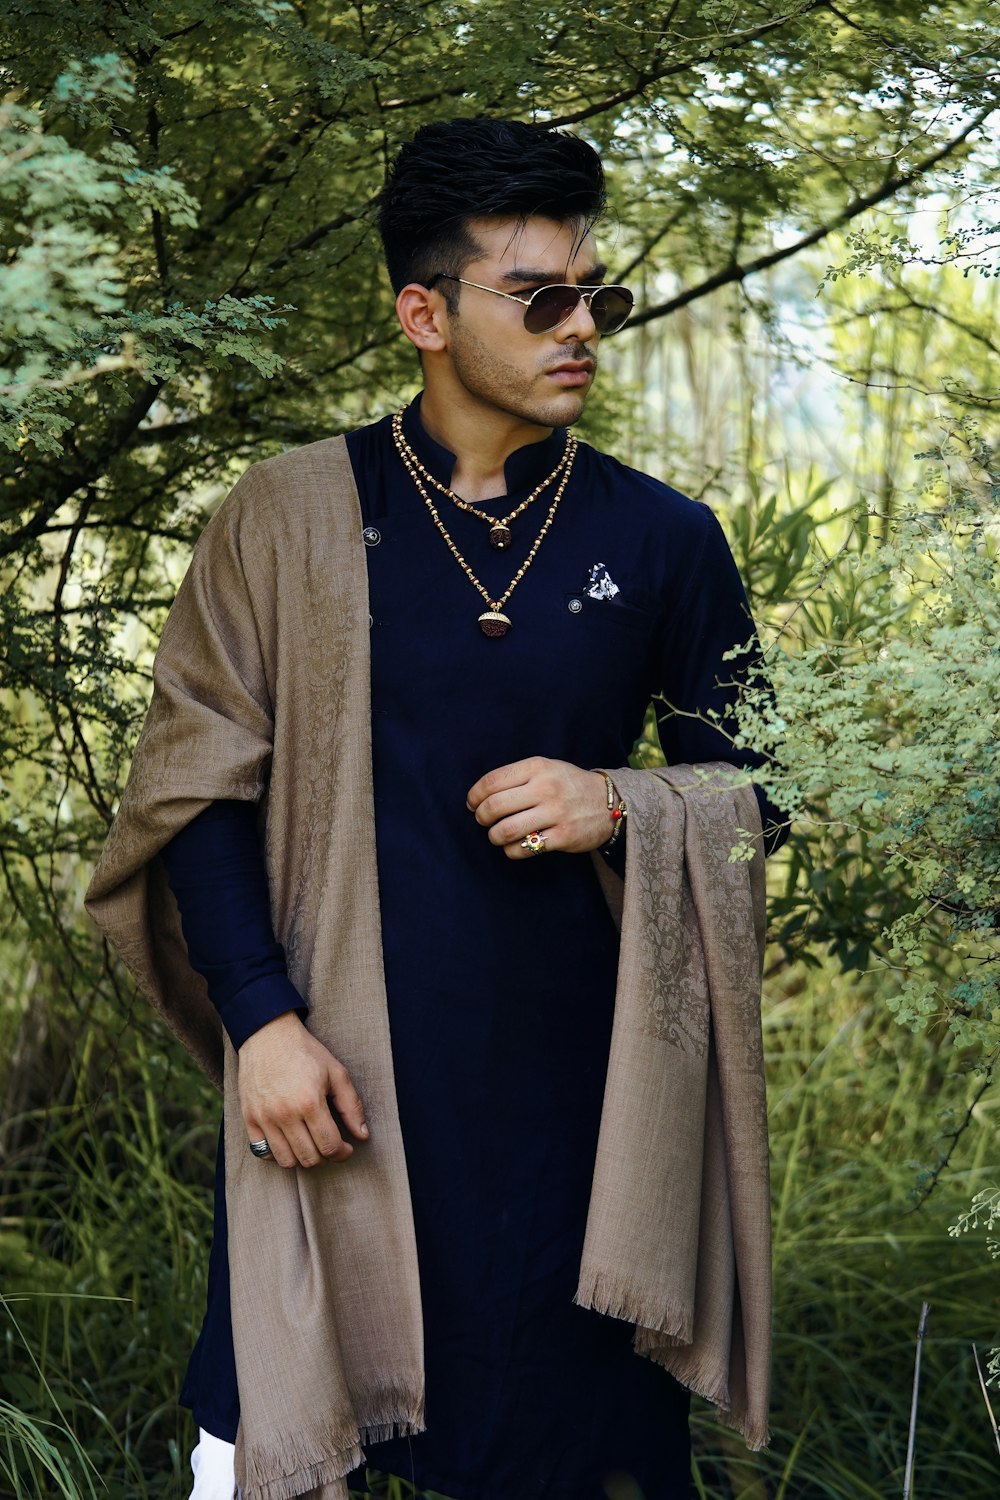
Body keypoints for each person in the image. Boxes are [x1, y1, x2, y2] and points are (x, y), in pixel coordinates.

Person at [86, 117, 784, 1500]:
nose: (584, 325)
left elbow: (766, 790)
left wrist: (627, 803)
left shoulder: (664, 539)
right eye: (542, 298)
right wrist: (263, 1023)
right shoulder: (283, 520)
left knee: (563, 1449)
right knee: (294, 1424)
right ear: (423, 311)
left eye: (600, 296)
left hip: (580, 1102)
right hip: (337, 1079)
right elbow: (202, 791)